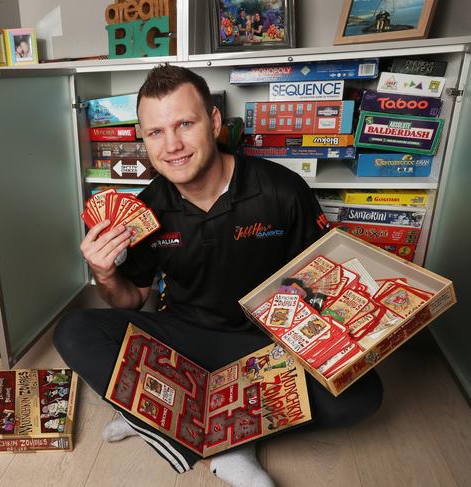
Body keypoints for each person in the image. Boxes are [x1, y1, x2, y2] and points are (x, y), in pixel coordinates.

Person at [54, 64, 383, 487]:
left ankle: (169, 420)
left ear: (212, 121)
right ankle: (217, 435)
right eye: (155, 132)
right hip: (182, 345)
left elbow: (321, 285)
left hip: (265, 347)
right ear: (143, 138)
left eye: (184, 124)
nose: (171, 145)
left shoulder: (282, 189)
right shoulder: (149, 206)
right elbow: (129, 301)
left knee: (363, 394)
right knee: (75, 330)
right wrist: (103, 273)